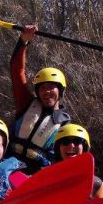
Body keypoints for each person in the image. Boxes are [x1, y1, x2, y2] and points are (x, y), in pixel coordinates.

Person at [7, 24, 70, 172]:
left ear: (60, 91)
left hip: (39, 170)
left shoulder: (65, 123)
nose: (47, 92)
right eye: (42, 87)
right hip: (10, 163)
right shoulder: (26, 103)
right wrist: (24, 41)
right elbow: (17, 70)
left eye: (51, 87)